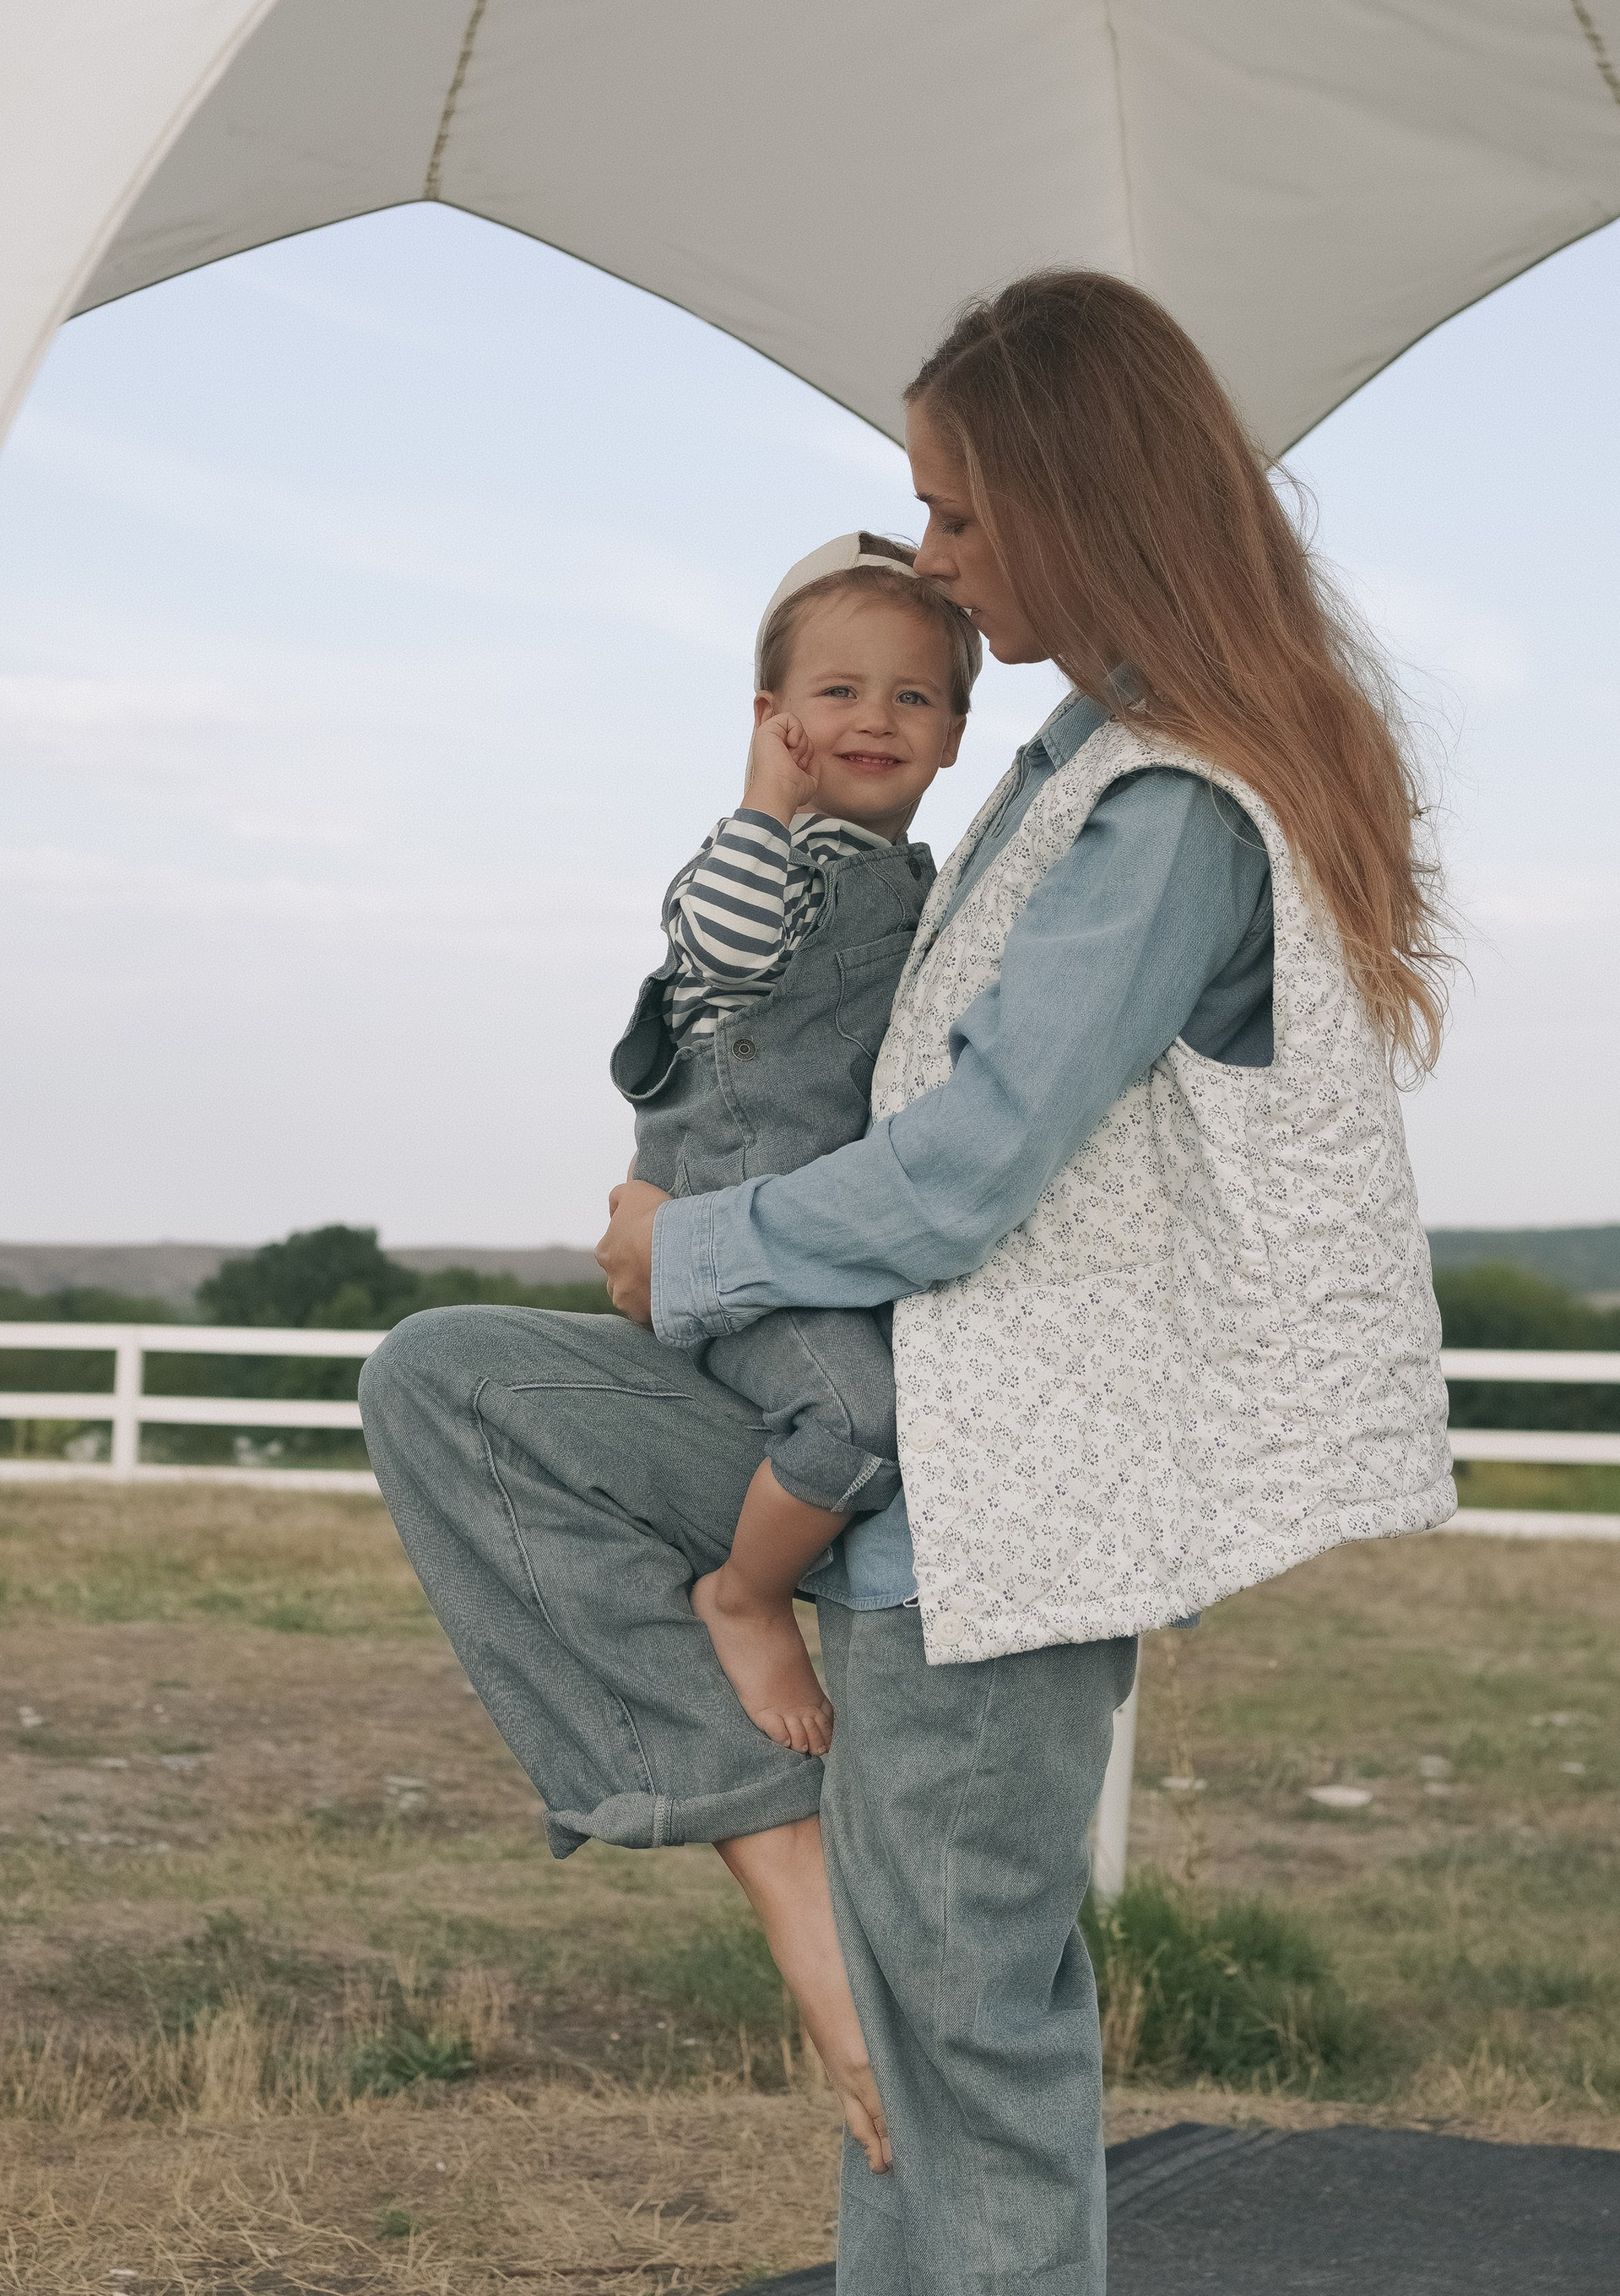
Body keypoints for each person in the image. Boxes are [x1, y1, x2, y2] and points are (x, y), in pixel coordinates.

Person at [360, 270, 1455, 2294]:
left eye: (956, 512)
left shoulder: (1162, 808)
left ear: (1071, 497)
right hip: (886, 1476)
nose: (931, 557)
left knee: (966, 2046)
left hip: (987, 1529)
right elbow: (811, 1035)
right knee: (450, 1388)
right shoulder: (1073, 759)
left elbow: (966, 1169)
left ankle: (826, 1933)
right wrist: (762, 830)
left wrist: (691, 1249)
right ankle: (764, 1849)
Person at [611, 537, 975, 1757]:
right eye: (837, 692)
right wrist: (764, 800)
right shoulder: (781, 864)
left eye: (912, 695)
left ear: (958, 730)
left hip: (807, 1242)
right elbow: (723, 954)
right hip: (730, 1236)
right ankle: (747, 1595)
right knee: (856, 1418)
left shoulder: (916, 881)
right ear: (775, 719)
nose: (876, 718)